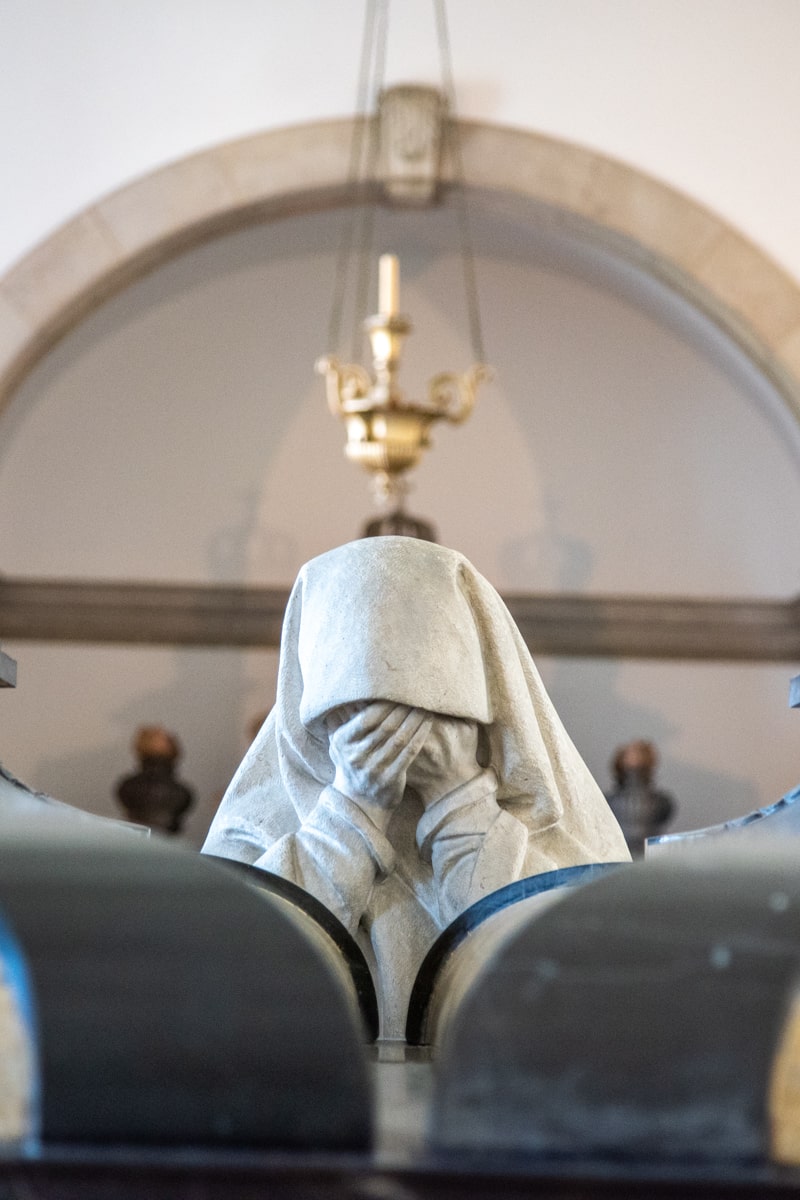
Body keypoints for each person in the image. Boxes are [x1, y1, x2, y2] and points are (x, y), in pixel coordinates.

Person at [203, 537, 630, 1037]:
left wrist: (461, 806)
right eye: (354, 720)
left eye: (426, 717)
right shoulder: (259, 828)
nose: (393, 743)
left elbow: (585, 995)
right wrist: (350, 813)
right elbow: (222, 983)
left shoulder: (554, 839)